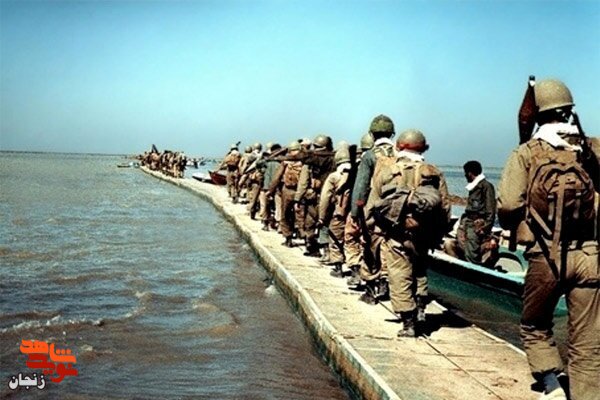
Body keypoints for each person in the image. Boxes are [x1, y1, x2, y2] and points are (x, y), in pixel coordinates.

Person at [498, 78, 599, 400]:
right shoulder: (592, 147)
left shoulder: (526, 152)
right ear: (569, 110)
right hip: (590, 254)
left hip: (546, 255)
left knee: (534, 325)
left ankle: (552, 384)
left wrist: (515, 226)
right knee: (588, 343)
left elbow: (509, 204)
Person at [368, 129, 450, 336]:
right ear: (424, 148)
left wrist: (373, 229)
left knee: (399, 274)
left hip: (396, 233)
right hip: (424, 233)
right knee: (420, 270)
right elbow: (445, 208)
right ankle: (421, 307)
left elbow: (373, 204)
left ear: (399, 146)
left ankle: (408, 323)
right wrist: (437, 234)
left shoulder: (387, 171)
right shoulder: (433, 172)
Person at [350, 115, 396, 303]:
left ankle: (370, 290)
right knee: (390, 246)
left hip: (374, 208)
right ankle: (386, 282)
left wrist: (355, 212)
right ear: (392, 133)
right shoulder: (400, 152)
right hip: (396, 209)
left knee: (370, 247)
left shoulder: (369, 156)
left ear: (372, 134)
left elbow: (361, 186)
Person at [445, 160, 497, 265]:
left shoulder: (486, 186)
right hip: (467, 223)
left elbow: (491, 210)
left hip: (476, 224)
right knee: (460, 244)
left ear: (469, 173)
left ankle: (473, 268)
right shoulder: (474, 187)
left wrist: (485, 228)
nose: (465, 176)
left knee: (472, 252)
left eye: (465, 173)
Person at [294, 134, 335, 257]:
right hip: (328, 196)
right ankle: (326, 251)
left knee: (311, 223)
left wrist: (297, 199)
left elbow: (303, 182)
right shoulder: (333, 159)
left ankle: (312, 247)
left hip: (315, 196)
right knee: (325, 223)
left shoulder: (311, 160)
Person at [318, 144, 352, 276]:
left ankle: (338, 268)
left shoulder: (334, 176)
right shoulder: (356, 172)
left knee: (335, 239)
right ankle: (356, 271)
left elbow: (325, 198)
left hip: (338, 213)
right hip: (354, 214)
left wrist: (322, 217)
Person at [345, 132, 374, 287]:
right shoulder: (389, 162)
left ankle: (356, 271)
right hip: (378, 211)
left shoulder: (362, 163)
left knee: (352, 238)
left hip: (362, 207)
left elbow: (358, 188)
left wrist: (355, 210)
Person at [269, 141, 303, 247]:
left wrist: (271, 190)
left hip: (287, 190)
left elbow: (277, 177)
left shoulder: (285, 162)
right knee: (300, 215)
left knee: (285, 214)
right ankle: (304, 237)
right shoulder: (305, 162)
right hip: (301, 191)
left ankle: (288, 238)